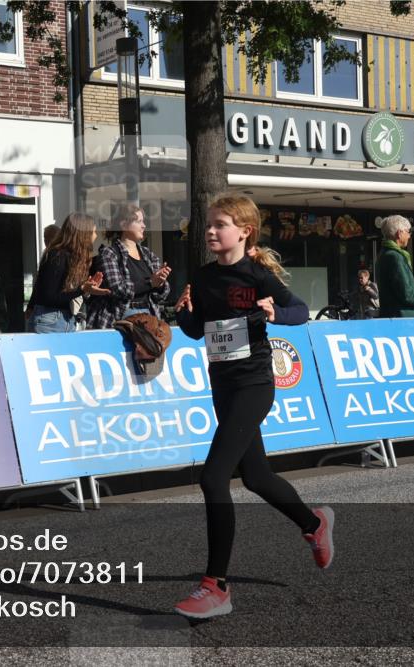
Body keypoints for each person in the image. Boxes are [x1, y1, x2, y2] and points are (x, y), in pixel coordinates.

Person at [172, 194, 334, 619]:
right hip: (222, 385)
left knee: (213, 478)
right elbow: (197, 330)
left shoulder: (257, 274)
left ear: (243, 231)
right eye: (208, 224)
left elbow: (300, 310)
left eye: (220, 224)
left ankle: (216, 587)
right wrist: (185, 313)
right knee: (258, 476)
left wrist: (275, 312)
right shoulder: (204, 277)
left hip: (255, 385)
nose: (210, 231)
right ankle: (314, 524)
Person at [86, 203, 171, 329]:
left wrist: (161, 283)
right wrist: (150, 283)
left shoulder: (148, 254)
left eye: (144, 221)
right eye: (139, 221)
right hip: (120, 317)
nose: (144, 226)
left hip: (149, 315)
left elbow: (162, 294)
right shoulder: (109, 253)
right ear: (124, 225)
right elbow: (117, 288)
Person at [26, 212, 109, 333]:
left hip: (64, 319)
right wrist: (82, 289)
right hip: (50, 320)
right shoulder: (57, 256)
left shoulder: (73, 257)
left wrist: (88, 290)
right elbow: (48, 296)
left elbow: (64, 294)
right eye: (94, 232)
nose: (96, 236)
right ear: (83, 234)